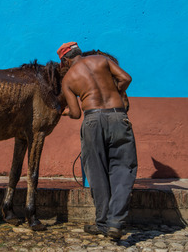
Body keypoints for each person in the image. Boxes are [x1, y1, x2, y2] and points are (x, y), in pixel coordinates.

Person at [57, 42, 137, 240]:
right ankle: (116, 223)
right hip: (118, 116)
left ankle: (102, 223)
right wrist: (115, 91)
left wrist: (66, 112)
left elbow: (76, 114)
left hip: (92, 120)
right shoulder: (102, 60)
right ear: (79, 52)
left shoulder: (68, 79)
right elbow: (126, 78)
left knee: (96, 172)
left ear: (65, 60)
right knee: (123, 170)